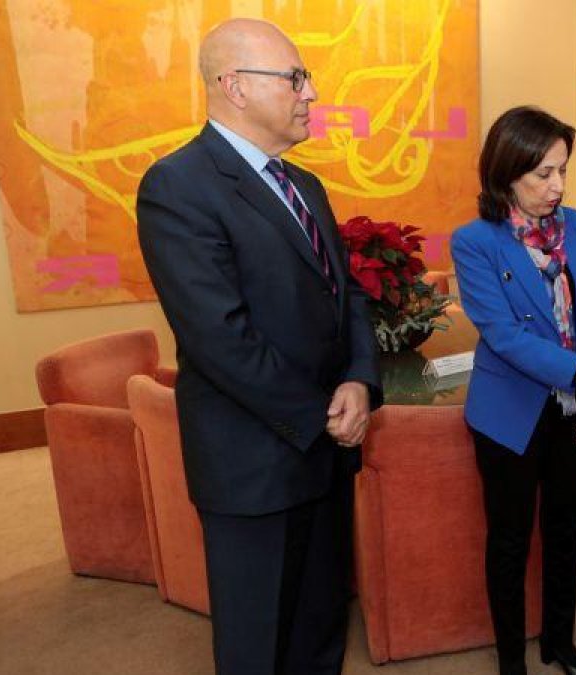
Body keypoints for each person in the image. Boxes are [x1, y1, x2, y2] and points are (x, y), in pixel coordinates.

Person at [136, 18, 381, 675]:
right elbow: (219, 335)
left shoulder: (307, 187)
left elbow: (347, 298)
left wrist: (358, 381)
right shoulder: (178, 187)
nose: (312, 93)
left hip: (327, 451)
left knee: (320, 626)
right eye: (296, 78)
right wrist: (320, 415)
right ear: (234, 86)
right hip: (255, 464)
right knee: (259, 642)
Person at [451, 106, 576, 675]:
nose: (557, 186)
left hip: (574, 410)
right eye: (542, 174)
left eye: (562, 170)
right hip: (509, 414)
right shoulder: (476, 242)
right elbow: (504, 336)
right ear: (505, 174)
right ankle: (511, 660)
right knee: (510, 542)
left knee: (567, 530)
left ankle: (560, 641)